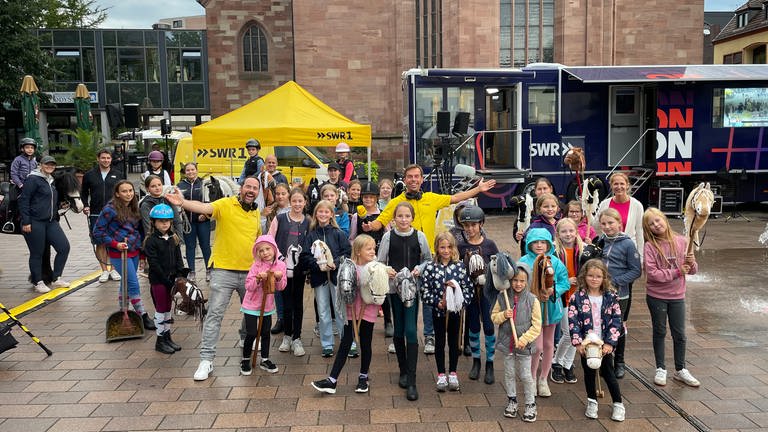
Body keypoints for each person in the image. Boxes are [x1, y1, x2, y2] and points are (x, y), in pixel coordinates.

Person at [364, 164, 496, 355]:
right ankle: (399, 337)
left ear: (422, 179)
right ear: (405, 179)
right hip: (403, 257)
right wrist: (371, 226)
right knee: (401, 297)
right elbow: (381, 221)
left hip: (428, 257)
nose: (413, 180)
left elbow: (455, 198)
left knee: (428, 298)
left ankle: (429, 336)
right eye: (410, 177)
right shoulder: (396, 202)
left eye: (417, 176)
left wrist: (478, 189)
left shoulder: (431, 198)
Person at [164, 176, 263, 381]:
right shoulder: (226, 204)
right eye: (248, 187)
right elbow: (203, 207)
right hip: (223, 270)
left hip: (249, 273)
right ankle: (206, 360)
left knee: (250, 313)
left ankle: (246, 337)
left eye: (255, 188)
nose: (251, 190)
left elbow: (258, 242)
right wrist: (182, 203)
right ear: (241, 188)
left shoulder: (256, 213)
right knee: (214, 316)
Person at [312, 234, 379, 395]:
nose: (372, 251)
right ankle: (332, 380)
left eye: (373, 248)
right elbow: (344, 286)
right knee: (345, 342)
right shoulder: (349, 267)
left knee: (365, 342)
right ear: (357, 251)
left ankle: (363, 377)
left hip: (368, 310)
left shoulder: (375, 267)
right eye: (368, 249)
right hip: (351, 311)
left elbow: (378, 289)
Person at [377, 202, 431, 401]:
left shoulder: (420, 236)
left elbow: (428, 258)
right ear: (394, 218)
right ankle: (403, 370)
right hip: (394, 290)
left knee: (410, 330)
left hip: (412, 290)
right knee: (399, 330)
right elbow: (380, 261)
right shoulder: (387, 237)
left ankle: (412, 380)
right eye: (399, 216)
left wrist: (420, 268)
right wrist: (386, 270)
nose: (403, 219)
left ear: (412, 217)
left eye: (407, 216)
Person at [642, 207, 700, 388]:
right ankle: (661, 368)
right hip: (656, 296)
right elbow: (652, 274)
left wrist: (691, 263)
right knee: (659, 332)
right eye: (651, 224)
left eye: (658, 220)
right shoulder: (650, 246)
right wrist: (676, 271)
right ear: (648, 229)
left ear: (664, 219)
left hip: (677, 296)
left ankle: (680, 369)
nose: (656, 225)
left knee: (680, 334)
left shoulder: (682, 241)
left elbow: (692, 271)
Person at [92, 180, 156, 331]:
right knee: (133, 284)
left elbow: (139, 232)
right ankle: (143, 315)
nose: (128, 194)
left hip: (134, 252)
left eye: (130, 190)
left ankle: (124, 312)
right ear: (117, 193)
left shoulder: (135, 207)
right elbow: (98, 232)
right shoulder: (110, 209)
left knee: (125, 283)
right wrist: (115, 244)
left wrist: (141, 254)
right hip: (118, 253)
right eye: (124, 191)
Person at [568, 259, 625, 422]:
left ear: (604, 278)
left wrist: (609, 343)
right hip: (587, 342)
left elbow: (616, 320)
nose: (594, 279)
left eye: (598, 276)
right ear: (584, 276)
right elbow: (573, 319)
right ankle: (592, 401)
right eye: (591, 276)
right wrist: (578, 342)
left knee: (608, 372)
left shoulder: (611, 297)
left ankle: (618, 403)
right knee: (588, 372)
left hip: (604, 342)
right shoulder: (576, 297)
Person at [517, 227, 569, 398]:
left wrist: (554, 291)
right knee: (536, 346)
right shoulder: (524, 261)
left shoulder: (555, 261)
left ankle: (543, 379)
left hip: (551, 308)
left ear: (548, 244)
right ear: (529, 244)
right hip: (532, 310)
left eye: (543, 242)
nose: (539, 245)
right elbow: (518, 282)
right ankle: (531, 378)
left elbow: (564, 282)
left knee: (548, 345)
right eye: (535, 242)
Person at [420, 231, 473, 394]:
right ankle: (441, 373)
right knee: (440, 342)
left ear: (453, 248)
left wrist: (458, 300)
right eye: (442, 247)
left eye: (449, 247)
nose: (445, 251)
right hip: (438, 312)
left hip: (455, 313)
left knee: (454, 343)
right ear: (436, 248)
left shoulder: (460, 267)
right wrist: (437, 302)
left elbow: (468, 289)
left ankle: (453, 372)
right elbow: (424, 290)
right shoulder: (430, 267)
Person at [490, 260, 541, 422]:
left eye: (522, 281)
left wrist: (525, 339)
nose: (518, 284)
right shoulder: (502, 297)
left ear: (527, 281)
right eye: (515, 280)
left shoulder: (533, 300)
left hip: (524, 346)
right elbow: (493, 317)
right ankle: (512, 400)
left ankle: (530, 403)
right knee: (509, 373)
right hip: (507, 344)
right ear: (509, 280)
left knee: (526, 375)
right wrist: (503, 315)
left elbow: (536, 326)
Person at [299, 199, 351, 358]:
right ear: (316, 214)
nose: (323, 214)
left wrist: (334, 263)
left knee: (340, 310)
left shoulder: (338, 233)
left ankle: (348, 342)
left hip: (336, 277)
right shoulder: (311, 234)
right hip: (319, 277)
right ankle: (327, 343)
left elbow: (347, 253)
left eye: (326, 212)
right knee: (322, 310)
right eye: (320, 211)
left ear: (331, 214)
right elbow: (305, 256)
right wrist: (317, 265)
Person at [456, 205, 499, 384]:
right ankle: (476, 361)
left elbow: (498, 267)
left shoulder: (489, 245)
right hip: (470, 293)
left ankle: (490, 363)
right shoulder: (460, 245)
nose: (470, 229)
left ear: (481, 224)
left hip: (487, 293)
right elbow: (456, 268)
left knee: (488, 327)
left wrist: (488, 274)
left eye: (474, 225)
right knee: (473, 327)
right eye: (466, 225)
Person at [596, 208, 641, 379]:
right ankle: (605, 360)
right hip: (599, 292)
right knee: (601, 325)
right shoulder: (600, 240)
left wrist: (615, 281)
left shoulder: (628, 244)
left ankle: (620, 361)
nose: (607, 227)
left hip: (619, 294)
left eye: (611, 223)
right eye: (604, 224)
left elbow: (636, 271)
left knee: (617, 326)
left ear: (619, 224)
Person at [18, 155, 71, 293]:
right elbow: (24, 201)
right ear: (40, 165)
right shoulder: (33, 179)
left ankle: (56, 277)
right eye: (47, 164)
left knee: (64, 247)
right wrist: (26, 221)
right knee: (37, 253)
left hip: (50, 221)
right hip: (35, 222)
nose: (50, 166)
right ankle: (38, 281)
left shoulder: (51, 180)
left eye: (52, 164)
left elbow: (49, 200)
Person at [268, 188, 311, 357]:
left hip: (299, 270)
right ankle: (287, 335)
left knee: (298, 303)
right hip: (282, 270)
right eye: (294, 201)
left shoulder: (308, 221)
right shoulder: (280, 219)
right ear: (290, 202)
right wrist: (277, 258)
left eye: (300, 201)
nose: (297, 204)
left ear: (305, 202)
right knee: (286, 303)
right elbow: (270, 239)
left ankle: (297, 337)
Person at [240, 234, 287, 376]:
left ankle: (265, 359)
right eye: (261, 250)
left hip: (267, 306)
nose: (265, 253)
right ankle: (245, 358)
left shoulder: (281, 265)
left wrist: (278, 278)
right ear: (257, 253)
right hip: (251, 305)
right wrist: (259, 278)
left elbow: (281, 287)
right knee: (252, 332)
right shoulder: (256, 266)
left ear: (274, 249)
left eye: (267, 249)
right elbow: (249, 286)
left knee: (266, 332)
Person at [142, 203, 186, 354]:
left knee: (168, 310)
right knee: (161, 310)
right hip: (159, 281)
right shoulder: (151, 241)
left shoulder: (173, 237)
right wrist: (167, 281)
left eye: (167, 220)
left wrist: (181, 275)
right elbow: (154, 264)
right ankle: (160, 340)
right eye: (161, 221)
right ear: (154, 222)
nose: (165, 223)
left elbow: (179, 258)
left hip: (172, 280)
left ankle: (167, 337)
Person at [551, 217, 585, 385]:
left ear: (576, 231)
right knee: (569, 332)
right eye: (564, 231)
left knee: (576, 333)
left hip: (579, 296)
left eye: (571, 230)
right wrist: (566, 281)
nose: (568, 234)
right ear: (558, 234)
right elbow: (551, 276)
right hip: (564, 297)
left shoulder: (582, 250)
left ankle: (567, 363)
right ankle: (556, 362)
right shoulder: (555, 252)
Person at [81, 148, 123, 283]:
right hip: (96, 213)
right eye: (103, 158)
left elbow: (124, 191)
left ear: (111, 159)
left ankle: (113, 269)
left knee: (113, 241)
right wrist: (85, 205)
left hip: (114, 212)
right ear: (98, 159)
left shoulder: (118, 174)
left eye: (108, 158)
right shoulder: (89, 175)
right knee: (100, 242)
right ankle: (104, 270)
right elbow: (83, 193)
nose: (106, 160)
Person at [593, 172, 644, 256]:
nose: (619, 187)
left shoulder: (636, 205)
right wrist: (588, 208)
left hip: (628, 250)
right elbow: (595, 225)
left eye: (622, 184)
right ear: (611, 186)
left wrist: (641, 256)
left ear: (627, 185)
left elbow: (640, 232)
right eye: (615, 184)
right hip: (608, 249)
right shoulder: (604, 204)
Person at [177, 162, 212, 282]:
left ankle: (209, 270)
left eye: (192, 169)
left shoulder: (204, 183)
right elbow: (178, 203)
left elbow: (210, 201)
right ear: (184, 172)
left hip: (203, 221)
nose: (190, 172)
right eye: (188, 170)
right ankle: (191, 271)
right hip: (188, 223)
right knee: (190, 247)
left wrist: (206, 214)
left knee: (205, 246)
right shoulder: (180, 185)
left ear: (197, 170)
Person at [140, 175, 184, 244]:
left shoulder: (168, 200)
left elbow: (177, 221)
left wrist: (180, 239)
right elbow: (147, 226)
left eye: (159, 185)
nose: (157, 188)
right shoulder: (146, 204)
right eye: (153, 186)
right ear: (147, 189)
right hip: (156, 241)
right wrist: (152, 243)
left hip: (171, 239)